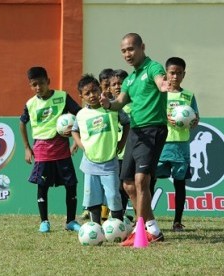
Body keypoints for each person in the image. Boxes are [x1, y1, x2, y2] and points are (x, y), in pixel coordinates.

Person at [100, 33, 170, 245]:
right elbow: (119, 102)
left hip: (153, 130)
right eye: (123, 51)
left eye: (131, 49)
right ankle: (152, 229)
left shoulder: (153, 68)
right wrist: (107, 103)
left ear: (142, 47)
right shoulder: (129, 79)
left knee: (142, 180)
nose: (127, 54)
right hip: (136, 132)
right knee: (128, 184)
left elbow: (160, 81)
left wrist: (163, 86)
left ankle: (139, 231)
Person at [19, 66, 82, 233]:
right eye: (34, 85)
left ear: (48, 81)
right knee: (42, 185)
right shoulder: (31, 104)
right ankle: (44, 221)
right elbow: (22, 123)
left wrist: (76, 140)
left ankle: (70, 221)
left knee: (71, 185)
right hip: (42, 150)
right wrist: (27, 147)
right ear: (30, 86)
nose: (38, 88)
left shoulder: (62, 97)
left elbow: (80, 115)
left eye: (41, 83)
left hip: (62, 150)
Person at [71, 74, 130, 225]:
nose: (92, 95)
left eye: (94, 90)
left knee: (113, 196)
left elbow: (127, 123)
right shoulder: (81, 114)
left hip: (110, 162)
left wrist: (122, 143)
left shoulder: (112, 107)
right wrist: (80, 144)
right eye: (87, 93)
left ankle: (117, 226)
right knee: (92, 197)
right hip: (90, 163)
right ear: (81, 97)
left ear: (101, 89)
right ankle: (95, 226)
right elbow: (74, 130)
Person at [150, 57, 200, 232]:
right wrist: (165, 118)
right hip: (161, 143)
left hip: (181, 146)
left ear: (184, 74)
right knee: (150, 181)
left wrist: (193, 122)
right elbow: (152, 114)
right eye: (172, 73)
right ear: (166, 74)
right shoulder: (160, 94)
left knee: (180, 184)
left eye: (179, 73)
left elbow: (196, 117)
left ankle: (177, 221)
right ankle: (147, 220)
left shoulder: (188, 96)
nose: (175, 76)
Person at [109, 69, 132, 220]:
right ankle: (115, 217)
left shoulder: (134, 105)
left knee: (126, 187)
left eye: (121, 83)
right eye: (114, 84)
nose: (118, 87)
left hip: (130, 153)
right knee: (114, 188)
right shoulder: (107, 107)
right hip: (111, 153)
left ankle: (125, 217)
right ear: (109, 88)